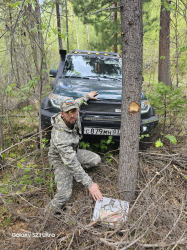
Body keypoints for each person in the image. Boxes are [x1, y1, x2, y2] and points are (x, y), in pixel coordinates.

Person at [45, 91, 103, 214]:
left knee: (96, 160)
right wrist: (90, 184)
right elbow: (71, 162)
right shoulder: (59, 136)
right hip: (61, 161)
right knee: (64, 195)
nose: (72, 115)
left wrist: (87, 96)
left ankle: (76, 174)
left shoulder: (73, 111)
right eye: (68, 113)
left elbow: (76, 103)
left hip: (73, 153)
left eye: (74, 111)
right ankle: (46, 214)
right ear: (62, 114)